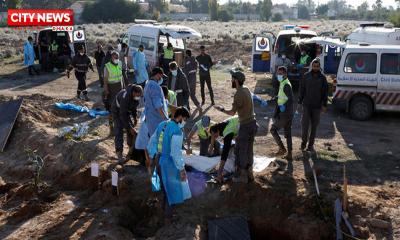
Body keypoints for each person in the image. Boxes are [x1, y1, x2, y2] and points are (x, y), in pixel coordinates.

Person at [147, 107, 191, 222]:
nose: (184, 122)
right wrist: (181, 168)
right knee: (171, 190)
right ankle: (168, 218)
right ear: (180, 116)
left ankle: (163, 212)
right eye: (185, 119)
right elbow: (176, 153)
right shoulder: (177, 130)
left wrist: (152, 157)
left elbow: (152, 141)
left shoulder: (162, 124)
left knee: (164, 188)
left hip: (158, 159)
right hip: (168, 163)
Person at [215, 69, 258, 183]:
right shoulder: (247, 89)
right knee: (249, 149)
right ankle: (250, 173)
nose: (231, 81)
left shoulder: (238, 94)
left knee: (240, 150)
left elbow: (232, 113)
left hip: (245, 125)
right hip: (253, 124)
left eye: (232, 79)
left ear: (237, 81)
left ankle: (241, 176)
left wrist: (222, 109)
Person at [298, 59, 328, 152]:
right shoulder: (306, 76)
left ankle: (310, 145)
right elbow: (302, 90)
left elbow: (325, 92)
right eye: (314, 66)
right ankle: (303, 144)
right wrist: (299, 102)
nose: (315, 68)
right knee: (305, 126)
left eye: (317, 66)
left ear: (319, 67)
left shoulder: (322, 78)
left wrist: (324, 105)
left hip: (317, 106)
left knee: (314, 127)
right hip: (306, 105)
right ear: (312, 66)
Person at [111, 84, 143, 163]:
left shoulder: (135, 97)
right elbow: (122, 115)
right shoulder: (125, 97)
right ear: (134, 92)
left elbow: (134, 108)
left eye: (140, 95)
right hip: (117, 111)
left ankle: (131, 151)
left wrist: (135, 118)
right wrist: (129, 127)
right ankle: (119, 153)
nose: (139, 97)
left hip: (126, 112)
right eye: (138, 95)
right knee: (119, 130)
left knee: (132, 132)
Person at [270, 66, 294, 161]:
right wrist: (276, 98)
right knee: (288, 133)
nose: (278, 75)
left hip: (285, 113)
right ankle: (290, 154)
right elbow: (283, 96)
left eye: (280, 74)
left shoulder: (286, 84)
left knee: (273, 129)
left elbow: (291, 99)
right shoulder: (283, 82)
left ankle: (282, 149)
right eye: (278, 73)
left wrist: (283, 106)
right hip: (288, 113)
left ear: (285, 74)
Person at [209, 116, 239, 182]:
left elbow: (225, 153)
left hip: (247, 125)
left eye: (214, 135)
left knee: (239, 150)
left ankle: (240, 171)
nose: (214, 137)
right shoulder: (221, 126)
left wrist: (219, 172)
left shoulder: (227, 131)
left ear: (217, 131)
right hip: (244, 122)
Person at [144, 67, 169, 137]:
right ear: (158, 75)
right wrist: (165, 119)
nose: (161, 78)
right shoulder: (155, 86)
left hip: (150, 118)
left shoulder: (147, 84)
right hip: (157, 120)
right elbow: (158, 106)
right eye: (161, 76)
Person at [104, 51, 124, 135]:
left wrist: (123, 87)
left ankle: (120, 127)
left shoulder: (120, 63)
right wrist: (106, 90)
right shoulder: (107, 66)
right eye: (115, 58)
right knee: (112, 110)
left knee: (121, 109)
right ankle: (111, 129)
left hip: (120, 88)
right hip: (111, 89)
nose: (117, 59)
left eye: (118, 57)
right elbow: (105, 80)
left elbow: (121, 76)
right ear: (112, 57)